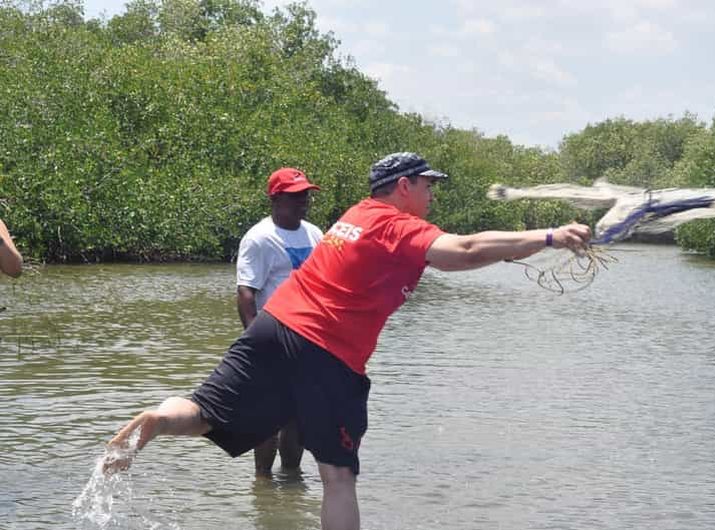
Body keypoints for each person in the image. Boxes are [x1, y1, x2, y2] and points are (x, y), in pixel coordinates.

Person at [106, 152, 592, 530]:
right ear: (404, 186)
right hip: (328, 354)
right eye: (428, 186)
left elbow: (437, 252)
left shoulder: (355, 215)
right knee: (337, 476)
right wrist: (548, 236)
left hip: (274, 328)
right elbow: (460, 250)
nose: (432, 196)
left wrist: (512, 248)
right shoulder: (395, 224)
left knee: (203, 414)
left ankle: (153, 421)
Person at [236, 167, 322, 476]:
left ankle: (291, 480)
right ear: (276, 199)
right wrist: (257, 343)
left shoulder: (314, 234)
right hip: (273, 337)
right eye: (296, 196)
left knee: (296, 416)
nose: (304, 201)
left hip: (308, 339)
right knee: (267, 418)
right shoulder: (259, 239)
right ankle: (262, 483)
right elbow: (246, 294)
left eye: (306, 195)